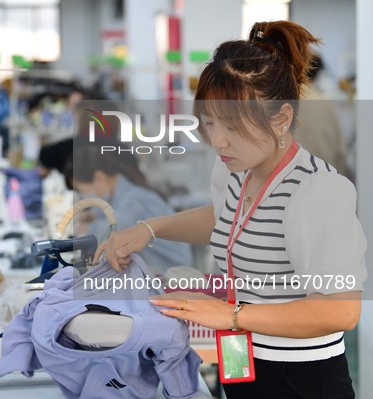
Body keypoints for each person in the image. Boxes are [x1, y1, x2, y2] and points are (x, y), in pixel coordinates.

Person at [94, 21, 367, 398]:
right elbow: (227, 218)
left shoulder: (318, 190)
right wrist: (150, 229)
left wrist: (230, 314)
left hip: (300, 380)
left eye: (234, 127)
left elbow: (340, 311)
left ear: (282, 118)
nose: (218, 140)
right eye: (209, 123)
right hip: (243, 364)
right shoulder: (235, 168)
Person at [68, 136, 193, 275]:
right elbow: (112, 213)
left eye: (82, 190)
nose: (84, 195)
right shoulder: (123, 192)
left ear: (99, 178)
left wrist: (83, 226)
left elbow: (113, 232)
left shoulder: (134, 198)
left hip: (172, 273)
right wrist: (93, 216)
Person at [294, 53, 351, 178]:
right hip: (323, 178)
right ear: (318, 74)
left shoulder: (284, 100)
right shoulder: (325, 103)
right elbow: (340, 151)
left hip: (291, 180)